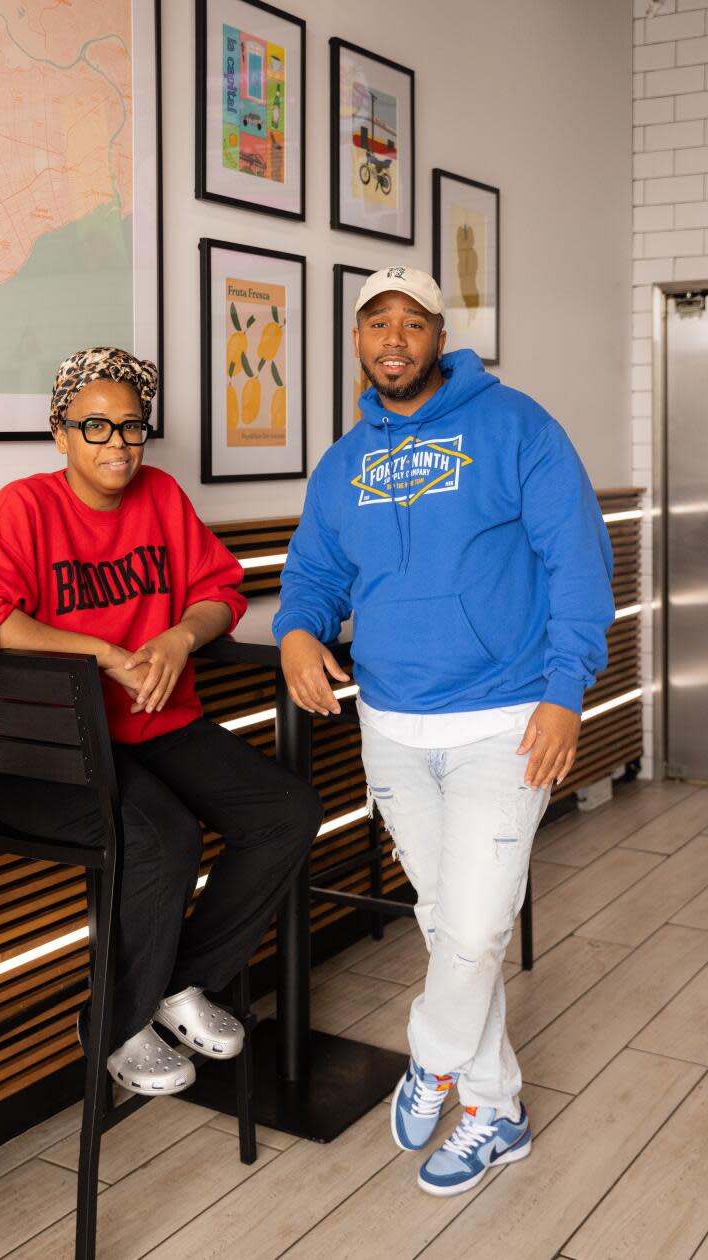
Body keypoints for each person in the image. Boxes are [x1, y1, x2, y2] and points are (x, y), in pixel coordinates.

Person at [273, 269, 614, 1196]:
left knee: (471, 924)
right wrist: (297, 631)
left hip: (506, 720)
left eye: (411, 322)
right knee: (448, 924)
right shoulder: (346, 462)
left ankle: (431, 1056)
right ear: (356, 342)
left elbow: (577, 561)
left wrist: (565, 693)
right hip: (389, 724)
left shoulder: (516, 426)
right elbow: (311, 575)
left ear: (438, 334)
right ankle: (496, 1111)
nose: (393, 338)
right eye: (374, 323)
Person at [0, 346, 322, 1096]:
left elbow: (220, 592)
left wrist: (179, 637)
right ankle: (113, 1023)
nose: (118, 445)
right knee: (163, 837)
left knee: (288, 811)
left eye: (131, 427)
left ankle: (177, 986)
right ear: (61, 434)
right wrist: (101, 652)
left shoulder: (163, 497)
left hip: (154, 726)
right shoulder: (26, 507)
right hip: (45, 749)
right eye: (96, 428)